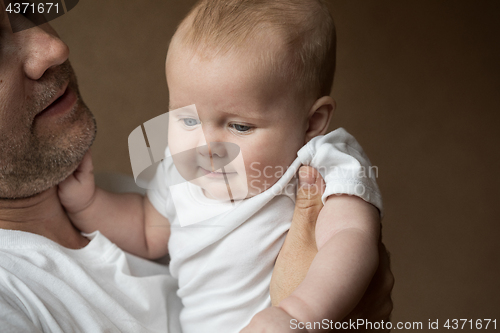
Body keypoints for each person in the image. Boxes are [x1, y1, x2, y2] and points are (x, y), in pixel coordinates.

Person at [0, 1, 393, 332]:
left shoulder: (322, 159)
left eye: (239, 125)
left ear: (311, 123)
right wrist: (90, 205)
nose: (205, 145)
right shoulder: (183, 170)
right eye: (187, 119)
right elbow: (146, 227)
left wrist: (299, 313)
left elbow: (351, 237)